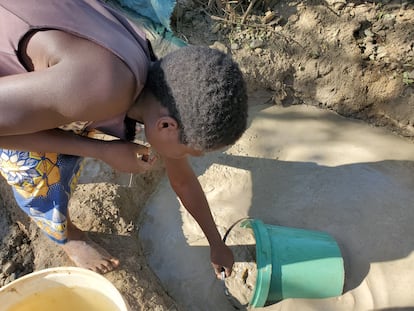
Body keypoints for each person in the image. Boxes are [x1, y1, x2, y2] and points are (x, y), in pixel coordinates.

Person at [0, 0, 248, 277]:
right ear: (166, 126)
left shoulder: (157, 81)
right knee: (38, 169)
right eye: (190, 151)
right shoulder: (100, 88)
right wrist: (99, 150)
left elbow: (182, 179)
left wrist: (216, 243)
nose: (186, 158)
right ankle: (67, 236)